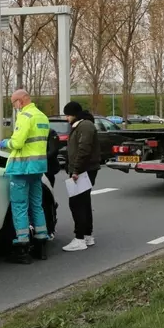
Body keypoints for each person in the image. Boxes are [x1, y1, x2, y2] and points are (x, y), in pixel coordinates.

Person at [0, 89, 50, 263]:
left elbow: (18, 142)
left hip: (22, 167)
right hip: (38, 167)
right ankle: (41, 243)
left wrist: (4, 143)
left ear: (20, 101)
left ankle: (22, 248)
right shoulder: (42, 116)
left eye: (14, 103)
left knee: (19, 206)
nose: (14, 106)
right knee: (37, 205)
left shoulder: (25, 116)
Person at [62, 101, 101, 252]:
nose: (67, 118)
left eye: (68, 115)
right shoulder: (82, 125)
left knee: (76, 204)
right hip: (84, 170)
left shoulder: (84, 126)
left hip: (83, 170)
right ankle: (86, 236)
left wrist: (76, 170)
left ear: (74, 114)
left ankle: (79, 239)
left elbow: (83, 149)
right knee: (84, 202)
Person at [41, 126, 61, 240]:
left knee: (47, 200)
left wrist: (39, 158)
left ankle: (50, 228)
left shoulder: (50, 132)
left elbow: (53, 151)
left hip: (48, 169)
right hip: (37, 168)